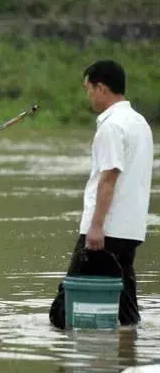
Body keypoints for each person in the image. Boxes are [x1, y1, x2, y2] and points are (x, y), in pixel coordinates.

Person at [49, 60, 154, 329]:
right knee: (126, 311)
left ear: (101, 88)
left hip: (103, 231)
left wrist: (95, 226)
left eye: (89, 89)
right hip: (130, 229)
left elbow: (108, 178)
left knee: (62, 313)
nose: (89, 96)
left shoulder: (111, 126)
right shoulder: (139, 123)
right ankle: (128, 357)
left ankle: (78, 361)